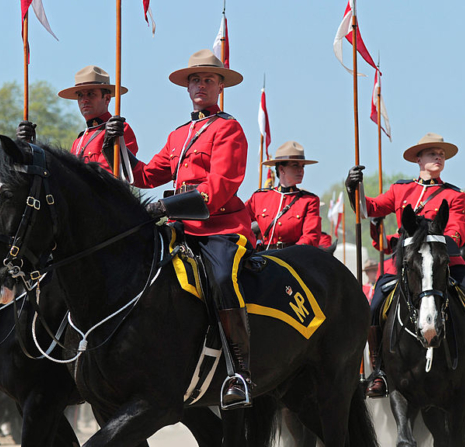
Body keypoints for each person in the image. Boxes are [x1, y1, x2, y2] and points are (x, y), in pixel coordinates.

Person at [103, 49, 253, 409]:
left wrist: (168, 205)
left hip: (219, 226)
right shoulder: (178, 135)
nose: (200, 85)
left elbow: (220, 185)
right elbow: (144, 175)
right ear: (188, 88)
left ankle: (239, 372)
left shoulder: (228, 127)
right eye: (195, 80)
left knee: (221, 279)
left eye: (208, 79)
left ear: (220, 86)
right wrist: (117, 143)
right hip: (179, 228)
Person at [345, 132, 465, 398]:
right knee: (375, 304)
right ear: (418, 159)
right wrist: (354, 189)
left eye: (441, 154)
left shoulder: (454, 195)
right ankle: (379, 370)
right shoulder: (400, 190)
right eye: (433, 153)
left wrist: (436, 244)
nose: (439, 157)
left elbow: (458, 230)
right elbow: (369, 208)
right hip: (407, 266)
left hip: (445, 262)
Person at [17, 65, 138, 173]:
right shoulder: (79, 141)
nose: (84, 100)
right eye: (80, 95)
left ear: (107, 99)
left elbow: (109, 178)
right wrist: (30, 147)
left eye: (91, 94)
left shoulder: (119, 131)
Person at [245, 141, 321, 250]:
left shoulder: (309, 201)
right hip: (263, 257)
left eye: (302, 166)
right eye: (295, 165)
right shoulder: (259, 198)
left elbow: (311, 237)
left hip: (294, 259)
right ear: (281, 169)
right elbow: (239, 221)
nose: (301, 170)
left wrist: (289, 255)